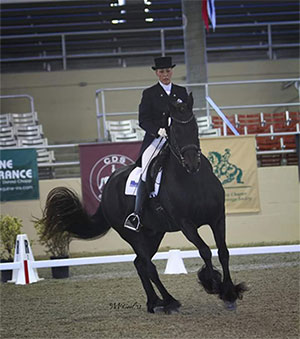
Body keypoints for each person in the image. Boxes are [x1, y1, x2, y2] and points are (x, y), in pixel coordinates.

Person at [124, 56, 188, 231]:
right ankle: (137, 214)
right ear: (157, 73)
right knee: (145, 171)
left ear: (172, 71)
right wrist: (157, 130)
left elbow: (186, 115)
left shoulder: (181, 92)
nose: (165, 74)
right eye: (162, 72)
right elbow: (143, 120)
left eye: (168, 71)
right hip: (156, 140)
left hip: (178, 139)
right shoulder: (149, 93)